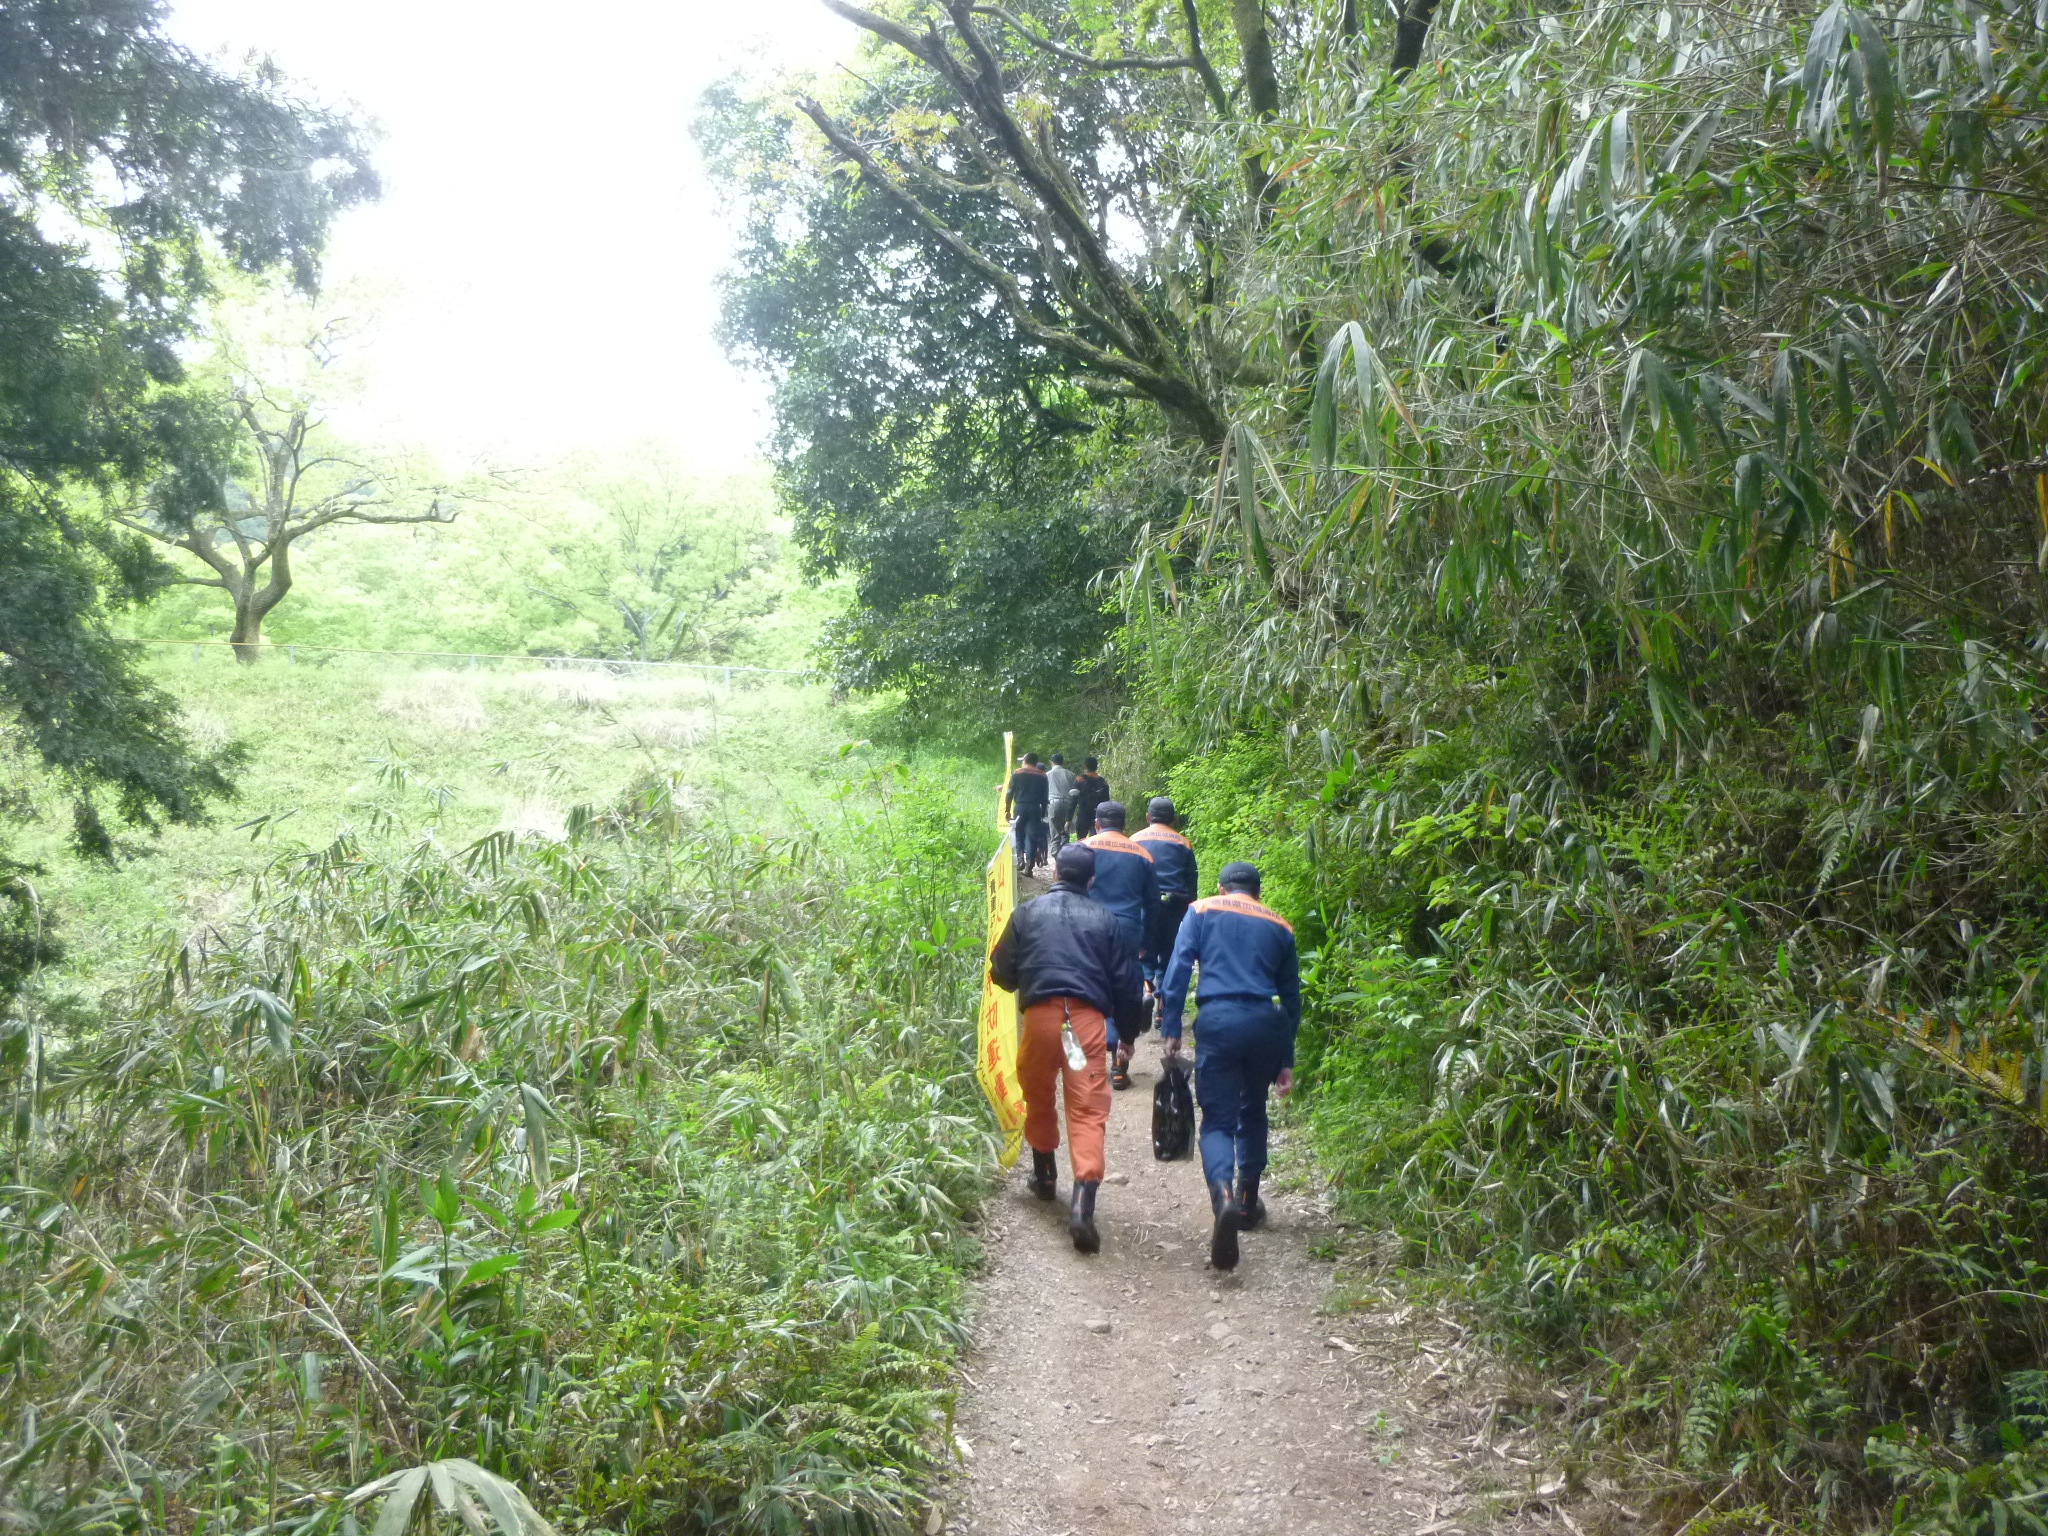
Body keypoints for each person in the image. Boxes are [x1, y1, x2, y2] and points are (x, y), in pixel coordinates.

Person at [987, 843, 1146, 1253]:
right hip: (1087, 1021)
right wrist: (1126, 1036)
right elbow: (1128, 985)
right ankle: (1082, 1207)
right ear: (1092, 879)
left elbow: (1002, 972)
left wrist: (1022, 979)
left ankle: (1044, 1177)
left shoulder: (1026, 913)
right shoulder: (1106, 920)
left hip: (1040, 1018)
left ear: (1056, 872)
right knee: (1088, 1109)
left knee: (1038, 1094)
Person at [1156, 862, 1300, 1273]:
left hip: (1219, 1021)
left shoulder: (1202, 910)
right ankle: (1248, 1201)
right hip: (1266, 1025)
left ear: (1222, 887)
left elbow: (1179, 968)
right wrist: (1285, 1058)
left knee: (1218, 1121)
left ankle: (1222, 1198)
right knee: (1253, 1108)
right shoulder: (1280, 925)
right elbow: (1291, 999)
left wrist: (1171, 1029)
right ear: (1258, 891)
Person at [1082, 801, 1157, 1090]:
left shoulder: (1084, 847)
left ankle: (1091, 1063)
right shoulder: (1141, 853)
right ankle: (1119, 1066)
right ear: (1125, 825)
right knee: (1124, 990)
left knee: (1088, 987)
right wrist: (1147, 943)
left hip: (1088, 928)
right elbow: (1152, 905)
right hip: (1126, 931)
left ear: (1097, 823)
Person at [1132, 796, 1198, 999]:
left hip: (1144, 905)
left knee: (1144, 952)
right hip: (1174, 906)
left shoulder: (1134, 840)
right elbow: (1191, 879)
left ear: (1148, 817)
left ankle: (1147, 989)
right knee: (1169, 954)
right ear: (1173, 819)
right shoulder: (1183, 843)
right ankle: (1163, 1004)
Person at [1005, 752, 1050, 876]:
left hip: (1020, 806)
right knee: (1032, 836)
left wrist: (1007, 810)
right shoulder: (1042, 775)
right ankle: (1029, 868)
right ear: (1036, 762)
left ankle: (1020, 861)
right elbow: (1045, 796)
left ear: (1025, 760)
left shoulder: (1017, 773)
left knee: (1019, 833)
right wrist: (1043, 813)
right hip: (1035, 808)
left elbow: (1009, 793)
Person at [1045, 753, 1077, 852]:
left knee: (1054, 832)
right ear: (1063, 762)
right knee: (1065, 832)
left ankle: (1055, 854)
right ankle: (1064, 855)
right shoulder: (1071, 774)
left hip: (1053, 804)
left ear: (1051, 762)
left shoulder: (1047, 775)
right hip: (1067, 805)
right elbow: (1074, 792)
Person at [1073, 757, 1110, 835]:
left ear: (1085, 766)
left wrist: (1068, 818)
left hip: (1083, 814)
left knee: (1081, 840)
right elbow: (1107, 802)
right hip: (1097, 815)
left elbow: (1073, 799)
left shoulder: (1079, 780)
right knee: (1096, 840)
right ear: (1096, 767)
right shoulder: (1103, 782)